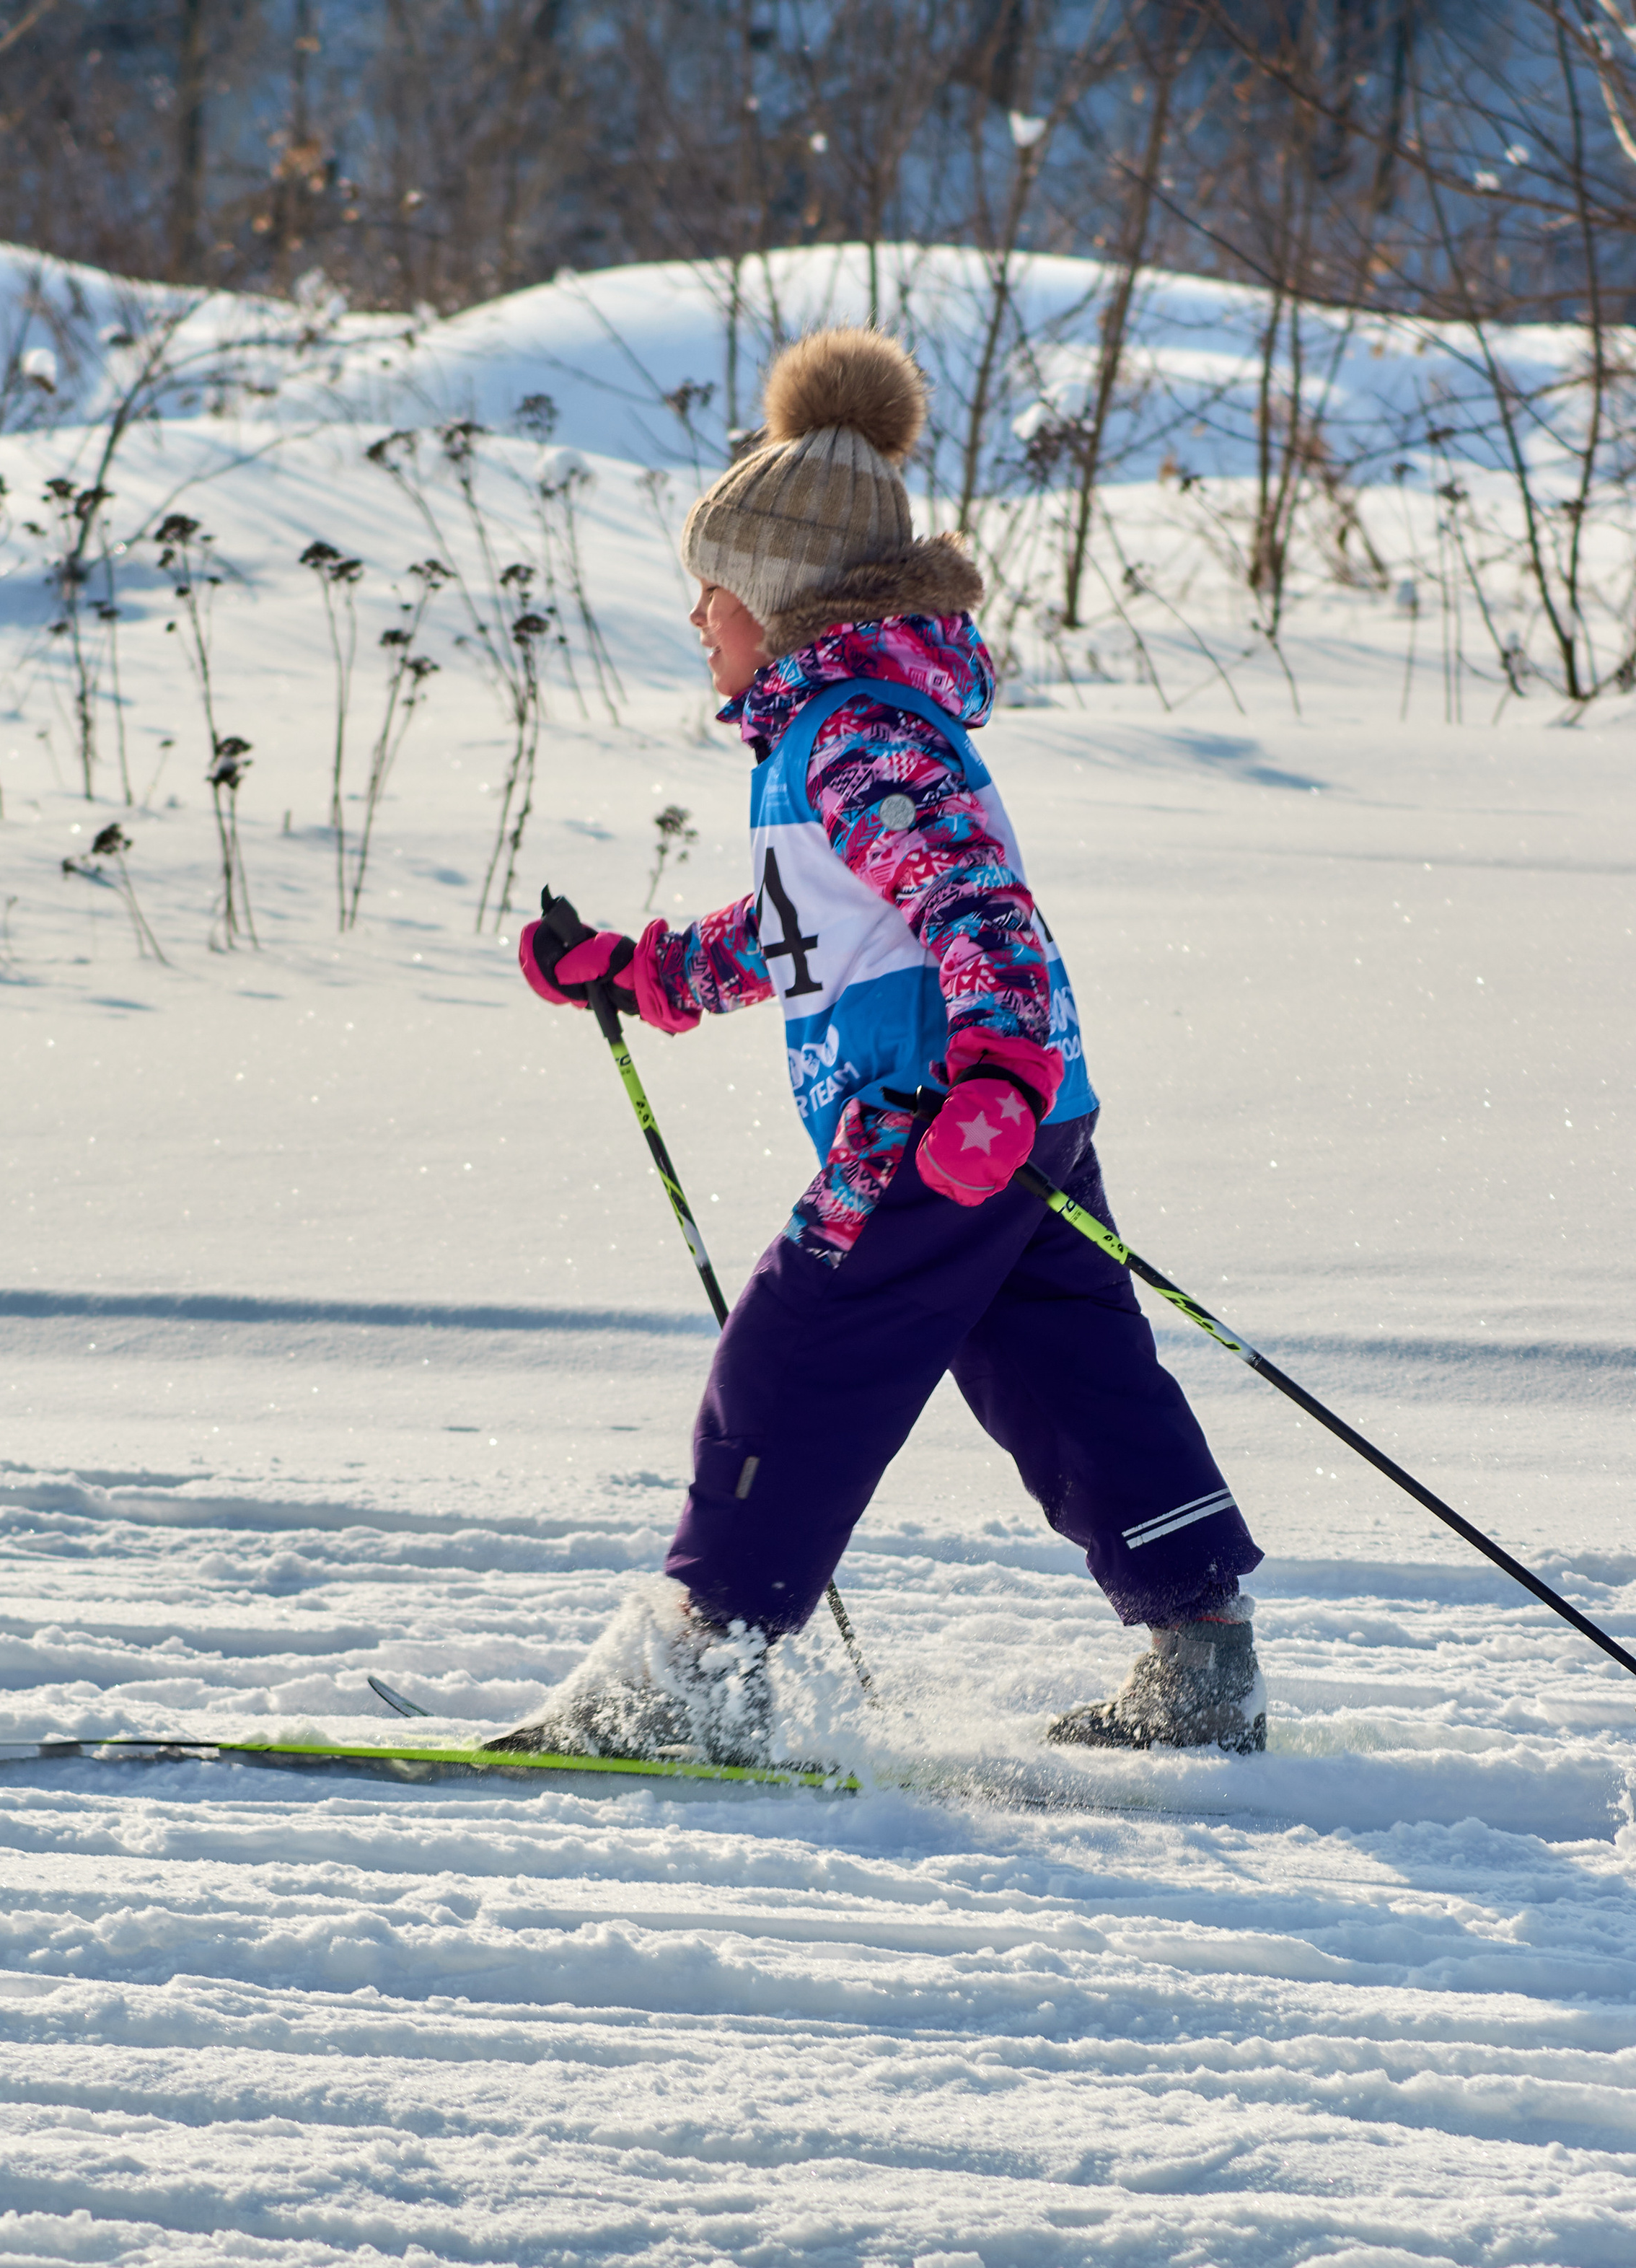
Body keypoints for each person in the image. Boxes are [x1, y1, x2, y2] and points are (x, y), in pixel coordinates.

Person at [509, 327, 1264, 1767]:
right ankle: (1199, 1658)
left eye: (712, 593)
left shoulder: (856, 733)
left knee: (789, 1364)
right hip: (997, 1123)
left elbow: (981, 910)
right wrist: (639, 971)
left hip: (935, 1122)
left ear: (780, 598)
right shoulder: (842, 736)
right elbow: (809, 925)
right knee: (1064, 1373)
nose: (697, 623)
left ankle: (696, 1678)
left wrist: (989, 1077)